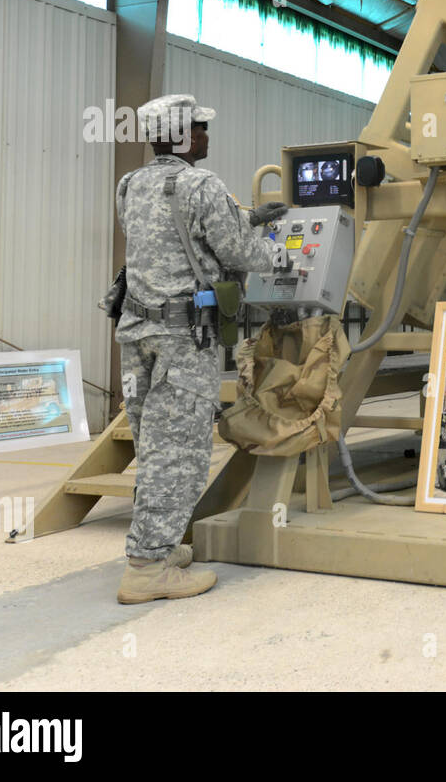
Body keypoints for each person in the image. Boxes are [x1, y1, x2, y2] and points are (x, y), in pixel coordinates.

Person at [114, 93, 288, 604]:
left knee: (153, 445)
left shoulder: (131, 184)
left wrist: (250, 215)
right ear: (185, 136)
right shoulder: (203, 184)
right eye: (202, 128)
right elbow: (235, 251)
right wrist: (279, 248)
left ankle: (159, 549)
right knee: (180, 452)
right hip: (184, 340)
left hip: (138, 332)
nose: (207, 136)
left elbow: (171, 234)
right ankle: (147, 570)